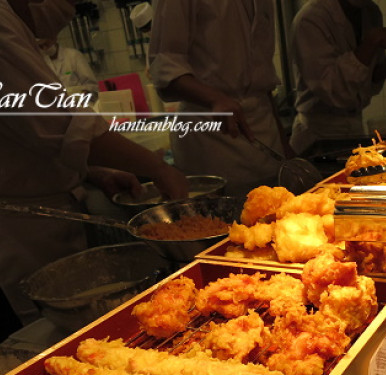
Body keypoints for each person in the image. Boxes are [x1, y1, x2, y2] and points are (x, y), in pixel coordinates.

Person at [0, 0, 189, 326]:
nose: (68, 9)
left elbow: (25, 136)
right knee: (46, 328)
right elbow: (61, 124)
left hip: (45, 210)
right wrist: (158, 168)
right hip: (19, 225)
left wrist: (92, 172)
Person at [148, 0, 291, 196]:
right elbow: (164, 67)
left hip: (267, 135)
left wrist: (285, 147)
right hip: (211, 137)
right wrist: (214, 98)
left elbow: (263, 78)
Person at [289, 0, 386, 156]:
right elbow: (334, 90)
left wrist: (384, 69)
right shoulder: (311, 18)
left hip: (352, 130)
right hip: (317, 137)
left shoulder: (371, 12)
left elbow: (362, 80)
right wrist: (372, 41)